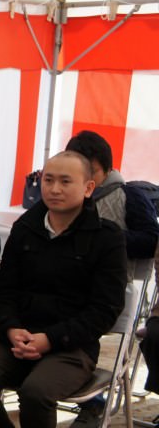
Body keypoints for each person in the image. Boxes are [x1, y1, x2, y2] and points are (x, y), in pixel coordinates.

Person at [0, 151, 128, 428]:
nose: (54, 189)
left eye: (65, 181)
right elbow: (3, 290)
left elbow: (105, 309)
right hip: (17, 337)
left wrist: (50, 338)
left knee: (36, 392)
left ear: (88, 188)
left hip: (71, 346)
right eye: (48, 180)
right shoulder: (25, 227)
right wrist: (10, 329)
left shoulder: (107, 237)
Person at [65, 130, 159, 427]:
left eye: (89, 168)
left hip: (109, 289)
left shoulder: (129, 195)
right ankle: (86, 397)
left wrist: (104, 237)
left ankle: (91, 399)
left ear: (105, 168)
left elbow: (150, 239)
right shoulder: (67, 195)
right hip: (68, 287)